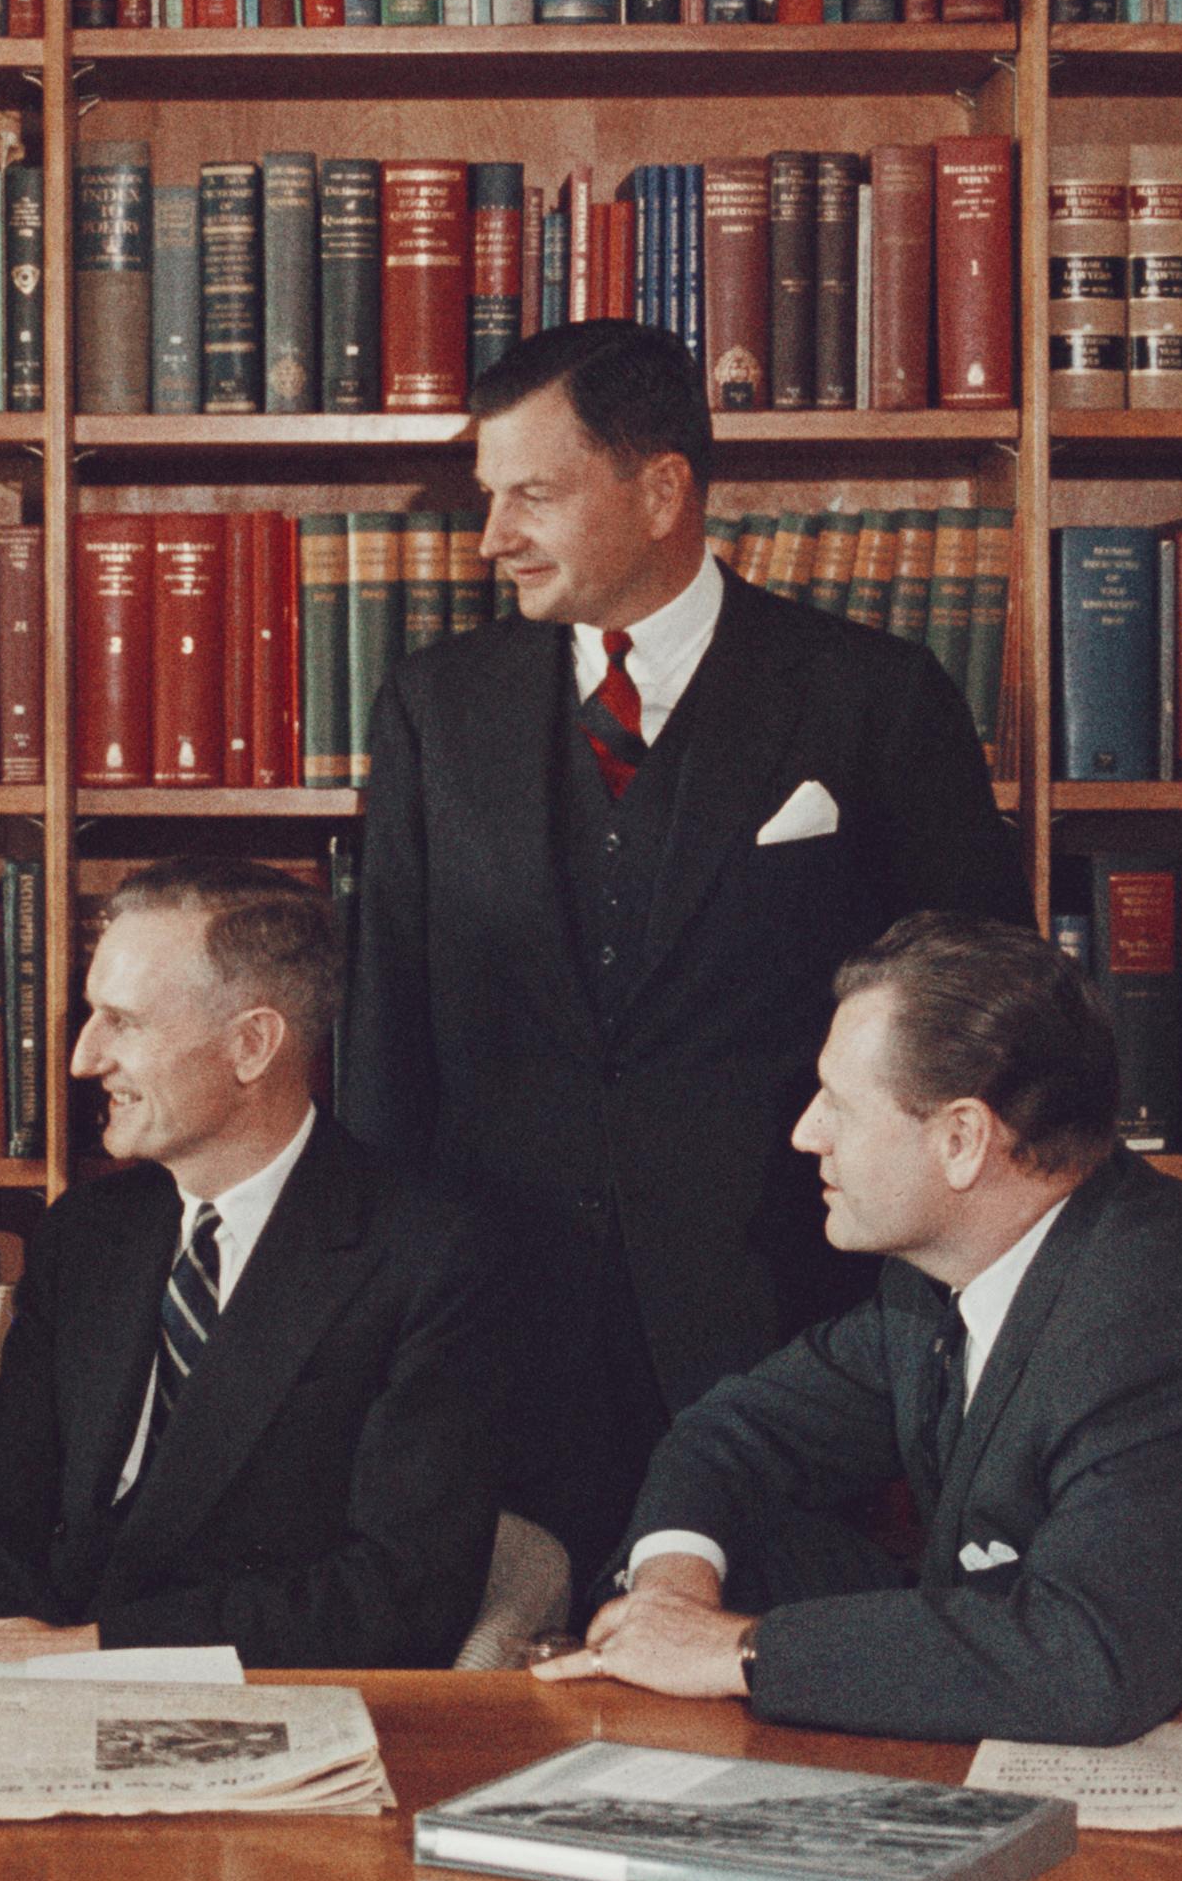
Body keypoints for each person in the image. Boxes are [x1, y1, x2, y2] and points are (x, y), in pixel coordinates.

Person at [345, 317, 1024, 1602]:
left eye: (531, 493)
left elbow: (985, 1022)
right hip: (503, 1337)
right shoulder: (435, 710)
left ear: (661, 490)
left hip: (789, 1335)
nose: (492, 535)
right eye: (488, 496)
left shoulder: (873, 699)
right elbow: (388, 1040)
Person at [540, 913, 1182, 1744]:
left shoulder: (1161, 1329)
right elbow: (733, 1430)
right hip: (1083, 1714)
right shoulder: (944, 1267)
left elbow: (1083, 1660)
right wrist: (671, 1591)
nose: (806, 1134)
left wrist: (733, 1650)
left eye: (838, 1105)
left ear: (964, 1138)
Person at [0, 860, 518, 1669]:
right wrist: (10, 1653)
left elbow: (399, 1591)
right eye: (90, 1016)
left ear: (251, 1045)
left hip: (248, 1704)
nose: (83, 1060)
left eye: (122, 1022)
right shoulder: (86, 1235)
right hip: (11, 1697)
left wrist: (87, 1656)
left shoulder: (427, 1255)